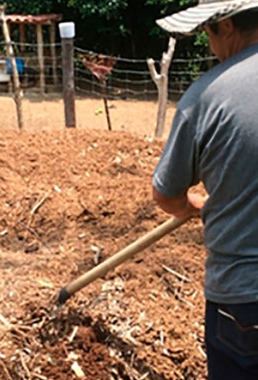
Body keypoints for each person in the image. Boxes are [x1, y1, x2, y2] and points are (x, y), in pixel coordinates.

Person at [152, 0, 258, 379]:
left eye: (207, 33)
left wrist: (187, 205)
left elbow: (166, 193)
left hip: (243, 298)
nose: (209, 46)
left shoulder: (207, 96)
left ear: (226, 25)